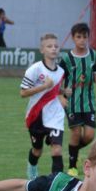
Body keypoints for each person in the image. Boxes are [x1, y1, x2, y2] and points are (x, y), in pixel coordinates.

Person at [21, 33, 67, 180]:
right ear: (42, 50)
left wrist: (63, 92)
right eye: (49, 46)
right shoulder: (35, 69)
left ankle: (57, 183)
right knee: (37, 151)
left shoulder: (61, 72)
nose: (53, 49)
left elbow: (55, 90)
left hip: (55, 115)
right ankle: (32, 168)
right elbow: (23, 93)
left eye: (56, 46)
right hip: (36, 115)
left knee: (57, 150)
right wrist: (44, 86)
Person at [59, 22, 96, 176]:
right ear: (73, 38)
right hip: (72, 102)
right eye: (79, 37)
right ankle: (72, 167)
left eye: (85, 37)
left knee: (89, 135)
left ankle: (73, 151)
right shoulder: (66, 58)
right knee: (76, 133)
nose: (82, 40)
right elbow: (58, 79)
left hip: (89, 101)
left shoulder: (94, 55)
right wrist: (61, 94)